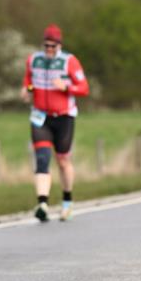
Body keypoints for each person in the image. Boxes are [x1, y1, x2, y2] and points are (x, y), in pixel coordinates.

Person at [21, 24, 90, 222]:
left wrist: (67, 86)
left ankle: (67, 201)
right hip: (40, 116)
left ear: (59, 45)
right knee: (42, 158)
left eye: (53, 46)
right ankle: (42, 203)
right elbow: (29, 81)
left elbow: (84, 88)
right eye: (46, 46)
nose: (49, 50)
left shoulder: (70, 61)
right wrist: (27, 90)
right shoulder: (33, 60)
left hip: (64, 117)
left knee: (62, 160)